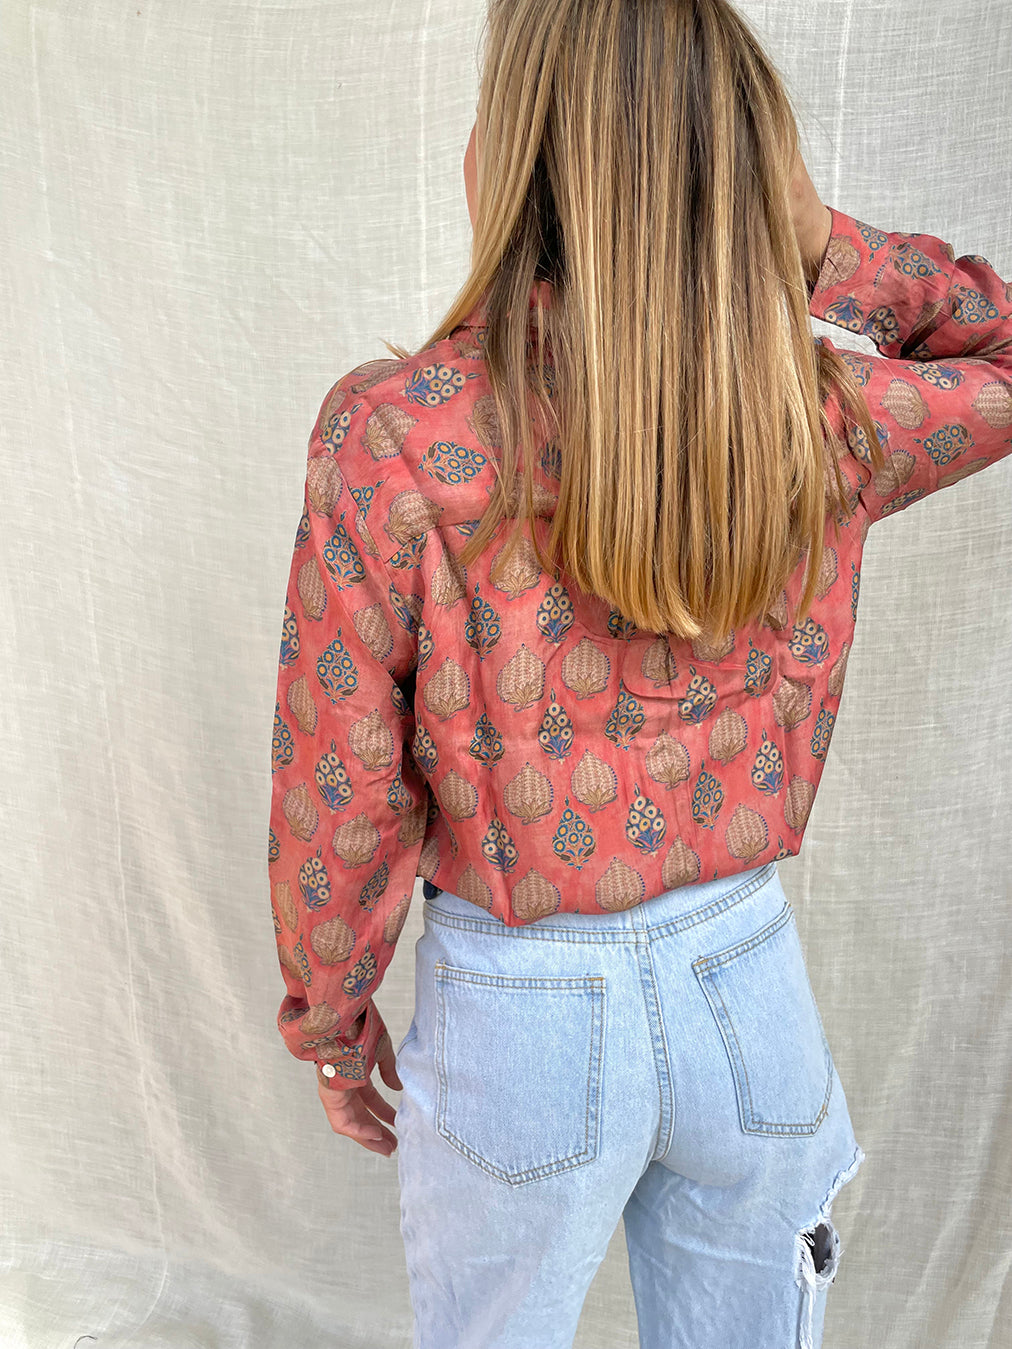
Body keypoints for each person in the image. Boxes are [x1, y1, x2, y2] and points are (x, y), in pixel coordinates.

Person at [266, 1, 1012, 1345]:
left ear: (509, 153)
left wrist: (331, 1015)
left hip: (520, 1020)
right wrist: (822, 246)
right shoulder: (810, 414)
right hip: (749, 991)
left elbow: (343, 775)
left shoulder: (397, 435)